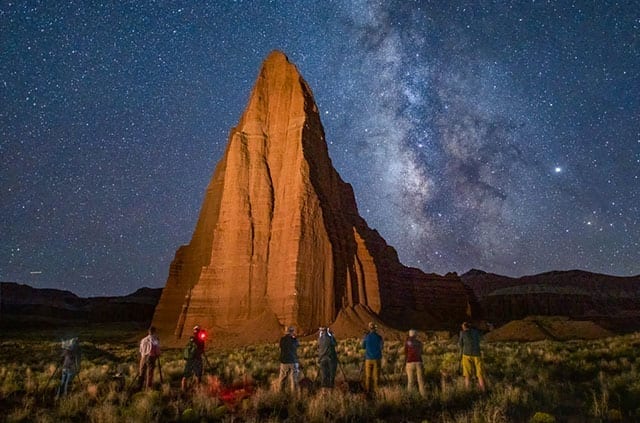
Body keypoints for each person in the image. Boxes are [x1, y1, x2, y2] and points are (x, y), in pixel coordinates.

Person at [459, 321, 486, 391]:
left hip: (466, 354)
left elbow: (460, 345)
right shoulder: (476, 332)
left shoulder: (462, 333)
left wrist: (460, 355)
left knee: (467, 374)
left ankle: (467, 390)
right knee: (480, 374)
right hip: (477, 354)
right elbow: (481, 339)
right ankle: (483, 390)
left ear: (464, 327)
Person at [181, 325, 206, 390]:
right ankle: (198, 390)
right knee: (198, 375)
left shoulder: (191, 339)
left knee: (185, 375)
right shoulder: (200, 339)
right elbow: (202, 349)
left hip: (189, 359)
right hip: (197, 359)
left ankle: (183, 390)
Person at [361, 321, 383, 394]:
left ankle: (368, 391)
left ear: (369, 328)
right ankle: (376, 391)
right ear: (375, 329)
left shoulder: (366, 337)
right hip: (377, 358)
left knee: (368, 376)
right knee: (376, 377)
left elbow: (362, 346)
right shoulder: (379, 337)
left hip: (368, 359)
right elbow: (381, 347)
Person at [277, 326, 300, 393]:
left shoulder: (282, 339)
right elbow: (298, 345)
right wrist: (294, 338)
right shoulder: (294, 340)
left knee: (282, 378)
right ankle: (294, 395)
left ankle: (280, 393)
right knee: (294, 379)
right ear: (292, 332)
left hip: (284, 361)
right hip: (293, 361)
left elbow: (281, 346)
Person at [404, 329, 426, 397]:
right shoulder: (419, 343)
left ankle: (409, 397)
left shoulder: (407, 342)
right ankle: (424, 396)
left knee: (410, 381)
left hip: (409, 363)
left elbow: (405, 353)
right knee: (421, 381)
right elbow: (422, 351)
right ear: (415, 335)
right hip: (419, 362)